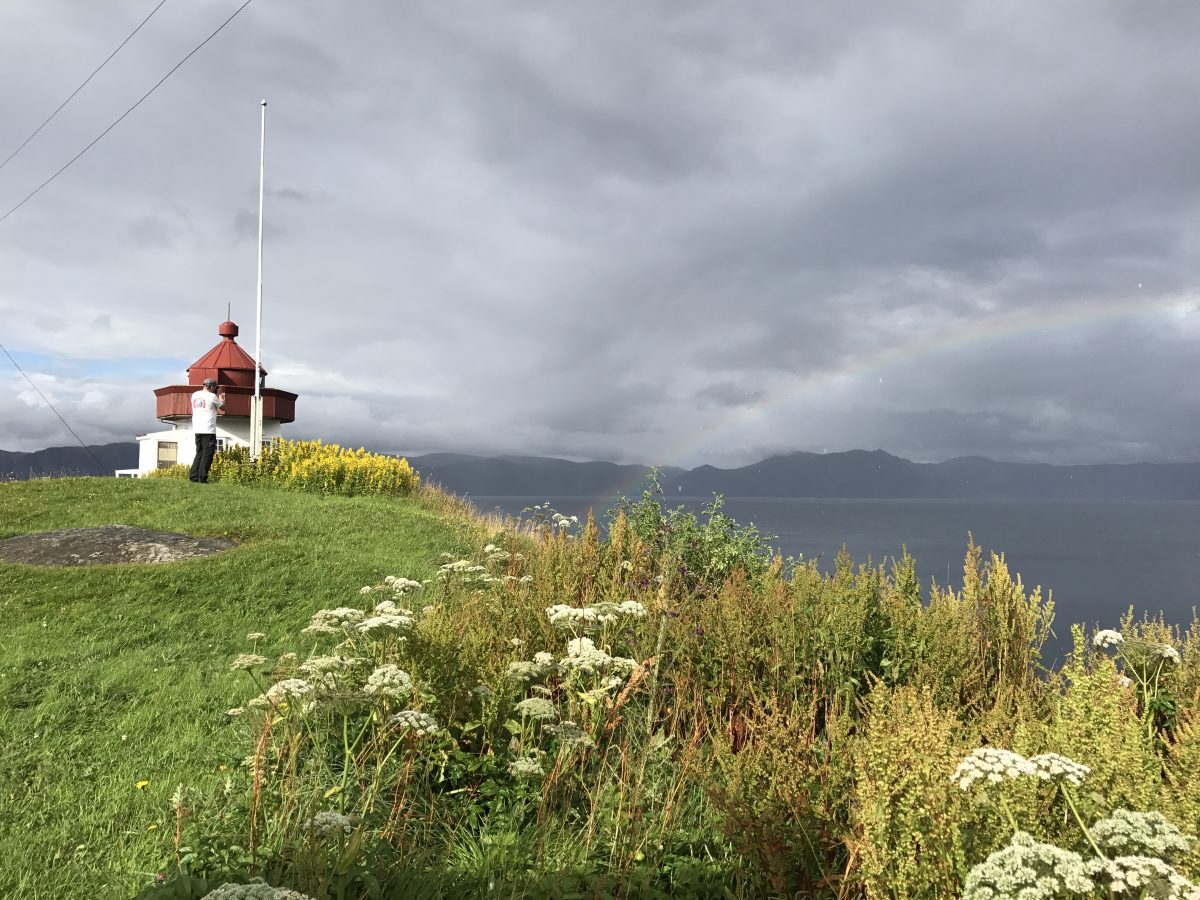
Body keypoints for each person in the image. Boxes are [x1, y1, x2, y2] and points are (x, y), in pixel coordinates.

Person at [189, 377, 225, 483]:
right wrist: (222, 399)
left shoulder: (195, 395)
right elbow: (223, 407)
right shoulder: (212, 396)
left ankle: (193, 476)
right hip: (208, 429)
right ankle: (202, 477)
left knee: (199, 453)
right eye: (215, 387)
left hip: (197, 428)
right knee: (207, 454)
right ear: (212, 387)